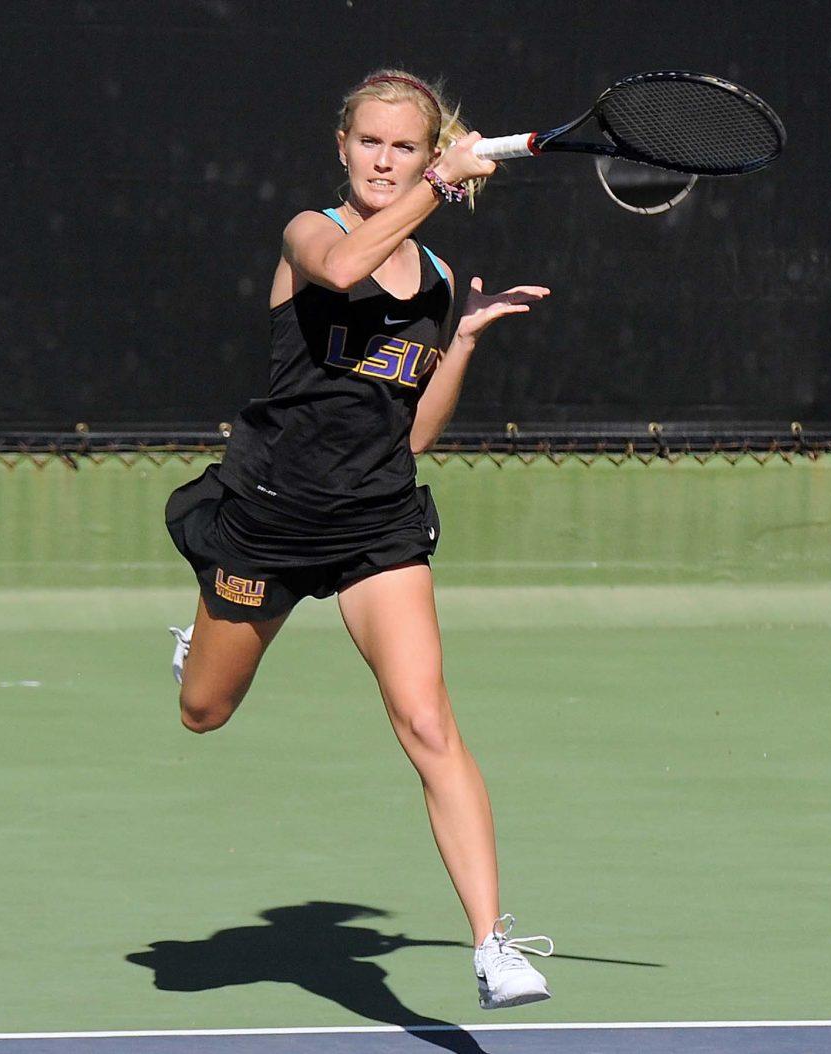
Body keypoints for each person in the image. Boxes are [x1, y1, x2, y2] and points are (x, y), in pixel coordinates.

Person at [165, 69, 554, 1010]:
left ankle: (493, 943)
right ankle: (199, 637)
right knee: (204, 712)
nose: (385, 160)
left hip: (377, 521)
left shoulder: (437, 278)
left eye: (406, 147)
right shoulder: (312, 233)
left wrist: (458, 339)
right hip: (268, 516)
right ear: (342, 148)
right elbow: (339, 274)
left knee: (427, 723)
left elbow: (413, 434)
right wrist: (441, 186)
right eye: (370, 143)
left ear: (430, 151)